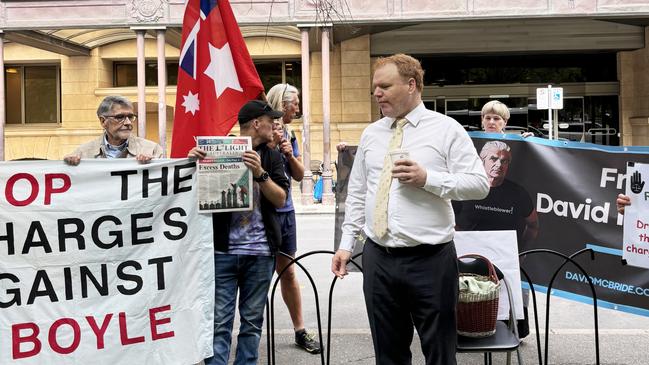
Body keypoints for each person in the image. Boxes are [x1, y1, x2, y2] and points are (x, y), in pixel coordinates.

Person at [331, 54, 489, 365]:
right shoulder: (371, 134)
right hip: (378, 258)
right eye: (375, 87)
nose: (377, 93)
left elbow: (479, 184)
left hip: (431, 261)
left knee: (440, 354)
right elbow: (359, 192)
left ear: (412, 85)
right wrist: (346, 244)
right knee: (388, 356)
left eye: (385, 86)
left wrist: (428, 179)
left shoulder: (446, 129)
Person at [189, 100, 289, 365]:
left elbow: (280, 199)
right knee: (219, 322)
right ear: (257, 123)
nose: (275, 125)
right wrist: (191, 163)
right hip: (222, 252)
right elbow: (189, 194)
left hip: (260, 252)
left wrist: (260, 173)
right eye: (271, 120)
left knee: (252, 323)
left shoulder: (272, 155)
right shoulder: (217, 150)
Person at [453, 140, 539, 338]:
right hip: (467, 263)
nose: (498, 164)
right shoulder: (466, 186)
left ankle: (511, 333)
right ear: (481, 160)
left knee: (507, 318)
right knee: (468, 315)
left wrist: (521, 254)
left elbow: (533, 225)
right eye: (493, 158)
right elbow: (449, 218)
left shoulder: (518, 193)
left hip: (504, 262)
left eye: (504, 161)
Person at [266, 84, 322, 353]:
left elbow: (299, 175)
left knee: (288, 272)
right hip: (262, 214)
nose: (298, 109)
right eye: (295, 104)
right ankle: (249, 332)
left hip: (286, 213)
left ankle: (300, 330)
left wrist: (288, 153)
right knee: (257, 275)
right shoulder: (261, 130)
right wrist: (270, 144)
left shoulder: (291, 135)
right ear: (282, 104)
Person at [64, 95, 163, 165]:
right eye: (120, 117)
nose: (128, 122)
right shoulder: (83, 153)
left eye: (131, 117)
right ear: (103, 121)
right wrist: (68, 166)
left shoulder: (152, 150)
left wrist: (154, 165)